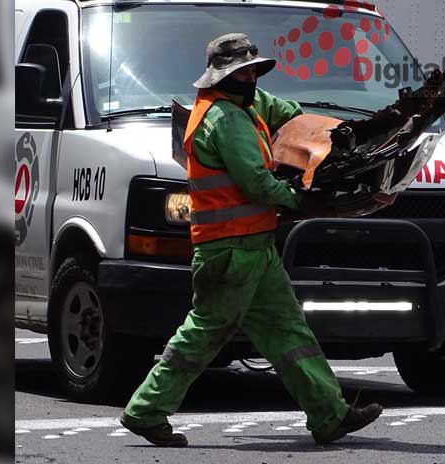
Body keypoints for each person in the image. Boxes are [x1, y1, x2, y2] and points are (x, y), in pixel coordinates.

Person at [120, 33, 382, 447]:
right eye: (242, 72)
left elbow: (285, 113)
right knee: (203, 334)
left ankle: (330, 415)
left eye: (253, 70)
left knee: (289, 332)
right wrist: (302, 197)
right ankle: (146, 411)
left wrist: (321, 135)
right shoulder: (223, 120)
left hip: (254, 248)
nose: (251, 78)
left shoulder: (246, 105)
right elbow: (257, 184)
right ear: (221, 77)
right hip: (228, 251)